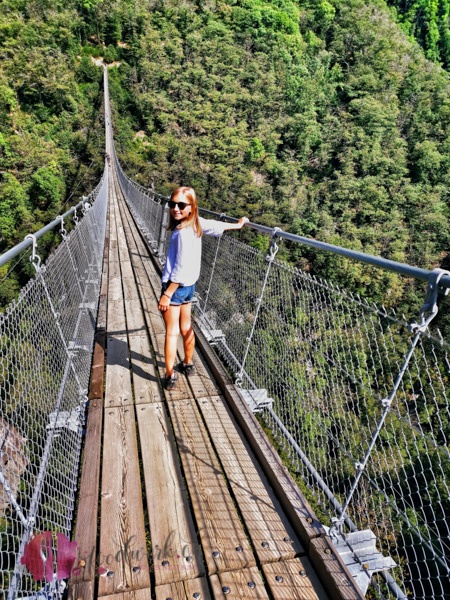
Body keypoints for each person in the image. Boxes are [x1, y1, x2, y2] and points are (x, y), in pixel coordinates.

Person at [158, 186, 249, 390]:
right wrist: (237, 225)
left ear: (191, 207)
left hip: (176, 287)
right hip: (190, 287)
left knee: (172, 332)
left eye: (181, 205)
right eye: (172, 204)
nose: (176, 209)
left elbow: (178, 270)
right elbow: (215, 226)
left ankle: (170, 375)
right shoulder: (195, 223)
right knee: (186, 327)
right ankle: (188, 364)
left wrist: (166, 294)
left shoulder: (181, 233)